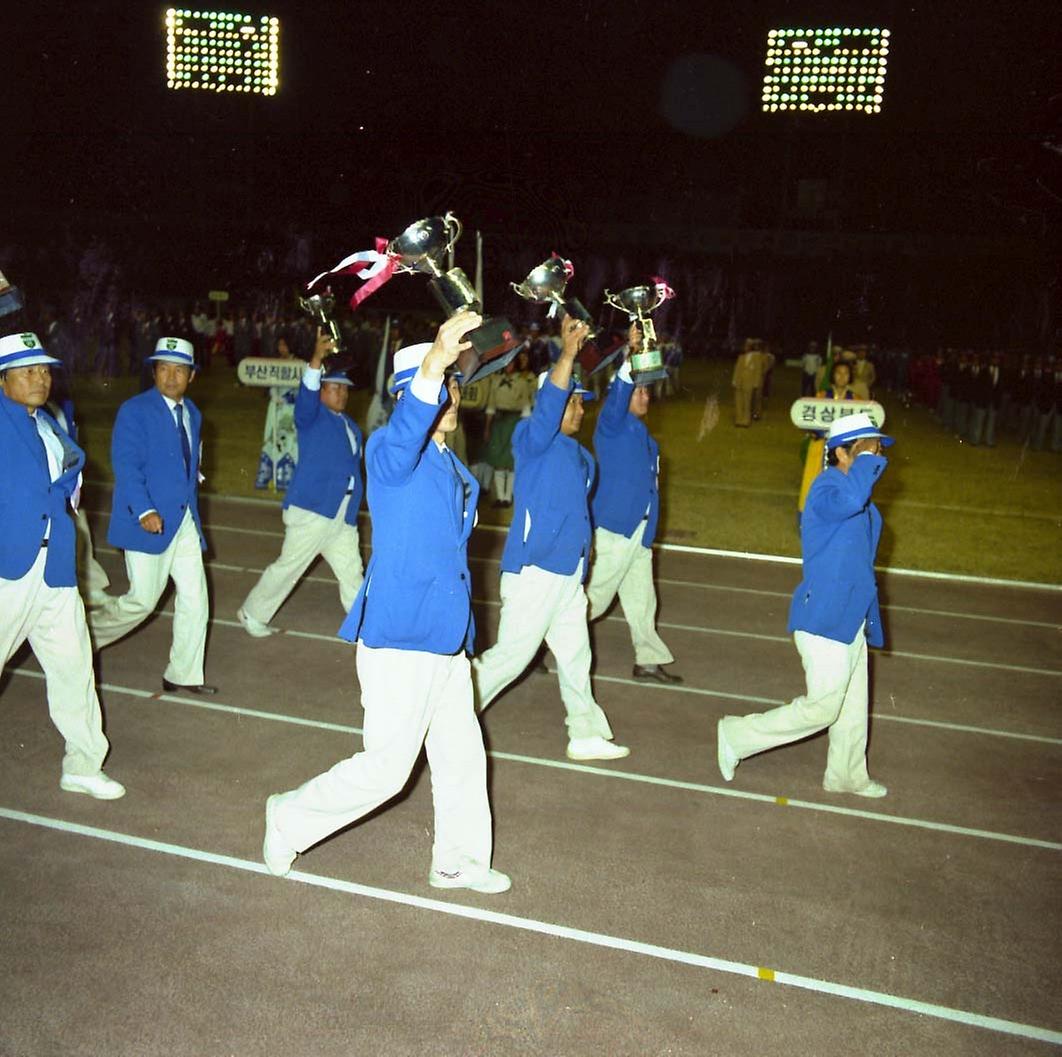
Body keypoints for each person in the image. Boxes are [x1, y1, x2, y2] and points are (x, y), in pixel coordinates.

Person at [262, 311, 510, 894]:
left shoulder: (451, 467)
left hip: (446, 641)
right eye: (441, 387)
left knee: (462, 757)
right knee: (386, 772)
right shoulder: (389, 455)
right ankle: (288, 817)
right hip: (399, 639)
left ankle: (456, 860)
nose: (451, 395)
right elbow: (407, 430)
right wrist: (434, 361)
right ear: (408, 398)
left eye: (453, 386)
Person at [471, 317, 629, 762]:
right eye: (575, 403)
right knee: (511, 659)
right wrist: (567, 353)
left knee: (578, 659)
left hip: (567, 576)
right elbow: (548, 406)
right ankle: (448, 708)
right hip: (536, 572)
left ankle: (585, 735)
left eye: (582, 403)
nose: (581, 410)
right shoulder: (531, 439)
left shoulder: (581, 457)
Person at [717, 412, 893, 798]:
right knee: (822, 708)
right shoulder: (827, 488)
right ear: (843, 453)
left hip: (850, 618)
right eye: (868, 447)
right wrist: (863, 462)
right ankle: (736, 734)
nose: (878, 453)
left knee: (852, 706)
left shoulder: (861, 501)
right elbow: (849, 498)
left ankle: (847, 775)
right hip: (824, 619)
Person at [0, 331, 124, 800]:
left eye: (44, 370)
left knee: (74, 666)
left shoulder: (50, 423)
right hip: (8, 569)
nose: (40, 379)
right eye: (27, 371)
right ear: (2, 379)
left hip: (55, 569)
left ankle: (83, 763)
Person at [88, 337, 215, 695]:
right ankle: (82, 637)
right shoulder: (135, 410)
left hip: (184, 520)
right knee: (142, 601)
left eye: (179, 369)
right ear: (154, 372)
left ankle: (183, 673)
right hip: (151, 519)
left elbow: (187, 459)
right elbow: (126, 466)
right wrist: (145, 509)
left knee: (196, 598)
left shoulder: (193, 412)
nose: (171, 376)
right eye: (164, 368)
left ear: (191, 376)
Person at [238, 329, 364, 636]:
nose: (342, 394)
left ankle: (363, 626)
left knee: (352, 572)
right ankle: (252, 614)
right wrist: (317, 359)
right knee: (288, 568)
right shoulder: (311, 416)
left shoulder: (350, 426)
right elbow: (307, 391)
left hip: (341, 514)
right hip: (312, 510)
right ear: (321, 391)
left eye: (345, 390)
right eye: (334, 388)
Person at [587, 325, 682, 684]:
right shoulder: (611, 424)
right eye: (640, 391)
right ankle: (544, 640)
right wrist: (632, 354)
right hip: (616, 529)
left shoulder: (640, 431)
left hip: (639, 530)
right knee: (595, 599)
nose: (646, 396)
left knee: (643, 601)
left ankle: (648, 660)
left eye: (647, 390)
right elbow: (619, 391)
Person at [797, 360, 858, 516]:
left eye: (846, 373)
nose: (842, 376)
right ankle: (809, 514)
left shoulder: (857, 399)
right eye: (838, 373)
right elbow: (810, 419)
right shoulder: (822, 396)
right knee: (815, 480)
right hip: (821, 445)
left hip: (845, 449)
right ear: (832, 376)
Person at [482, 347, 536, 507]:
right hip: (498, 422)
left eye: (512, 363)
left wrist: (526, 428)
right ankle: (499, 497)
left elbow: (526, 407)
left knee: (511, 460)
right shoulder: (496, 381)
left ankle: (507, 497)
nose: (508, 366)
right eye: (506, 363)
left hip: (514, 422)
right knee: (498, 459)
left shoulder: (521, 382)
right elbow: (490, 406)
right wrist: (487, 427)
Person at [253, 335, 300, 491]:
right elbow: (271, 383)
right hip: (276, 408)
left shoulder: (298, 365)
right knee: (273, 438)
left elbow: (300, 388)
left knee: (289, 439)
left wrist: (288, 398)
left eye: (284, 345)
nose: (281, 348)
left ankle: (287, 478)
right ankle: (271, 475)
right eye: (279, 345)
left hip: (290, 409)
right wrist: (273, 394)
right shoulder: (275, 363)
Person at [732, 338, 766, 427]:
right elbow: (737, 370)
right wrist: (734, 380)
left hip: (749, 383)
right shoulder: (741, 357)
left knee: (747, 403)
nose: (745, 347)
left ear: (750, 347)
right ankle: (738, 420)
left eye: (746, 345)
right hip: (739, 382)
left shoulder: (757, 357)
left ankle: (745, 421)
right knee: (738, 401)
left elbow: (758, 371)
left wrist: (756, 383)